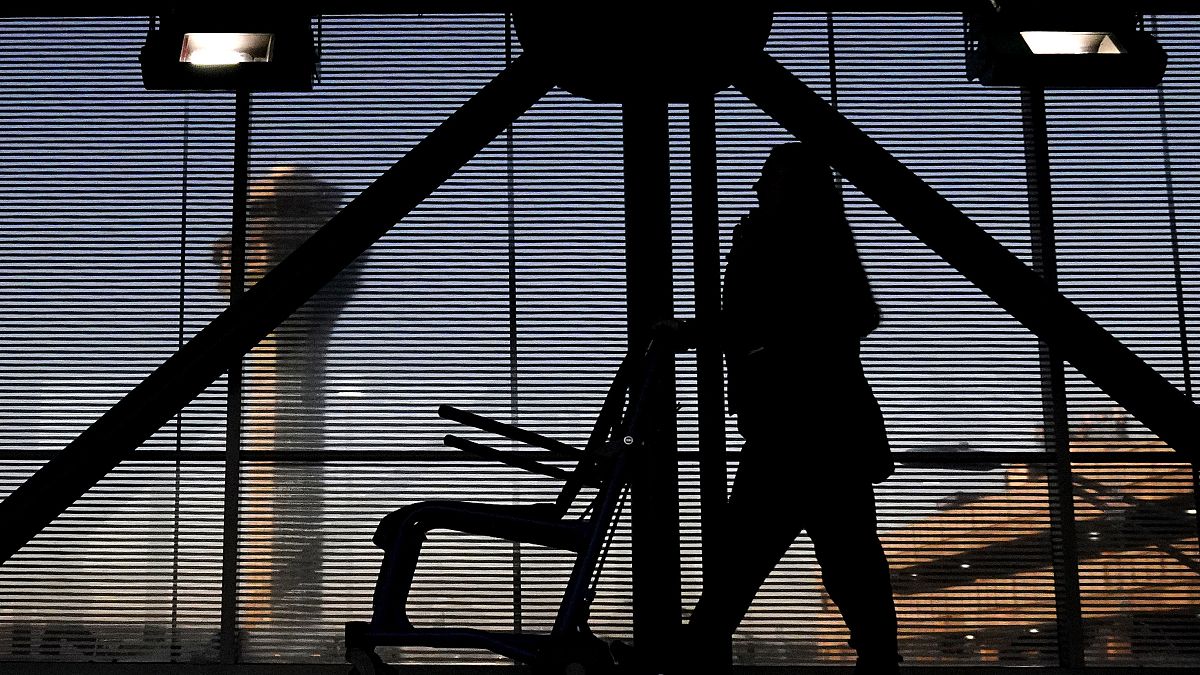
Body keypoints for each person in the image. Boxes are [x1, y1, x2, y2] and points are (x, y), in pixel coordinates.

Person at [685, 142, 899, 673]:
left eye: (769, 180)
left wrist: (760, 340)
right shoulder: (810, 240)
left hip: (795, 430)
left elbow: (751, 321)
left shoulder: (781, 242)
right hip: (823, 432)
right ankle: (879, 661)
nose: (757, 189)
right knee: (845, 561)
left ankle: (687, 657)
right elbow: (849, 316)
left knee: (749, 559)